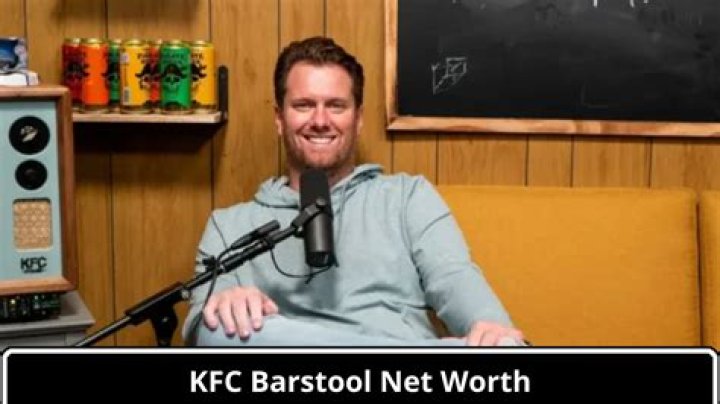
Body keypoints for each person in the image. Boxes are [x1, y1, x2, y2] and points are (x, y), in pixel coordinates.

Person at [183, 36, 524, 346]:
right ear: (279, 118)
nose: (320, 121)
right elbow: (204, 333)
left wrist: (492, 328)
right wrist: (225, 304)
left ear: (358, 119)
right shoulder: (228, 226)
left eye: (336, 105)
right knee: (218, 327)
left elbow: (455, 278)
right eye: (303, 105)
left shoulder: (407, 198)